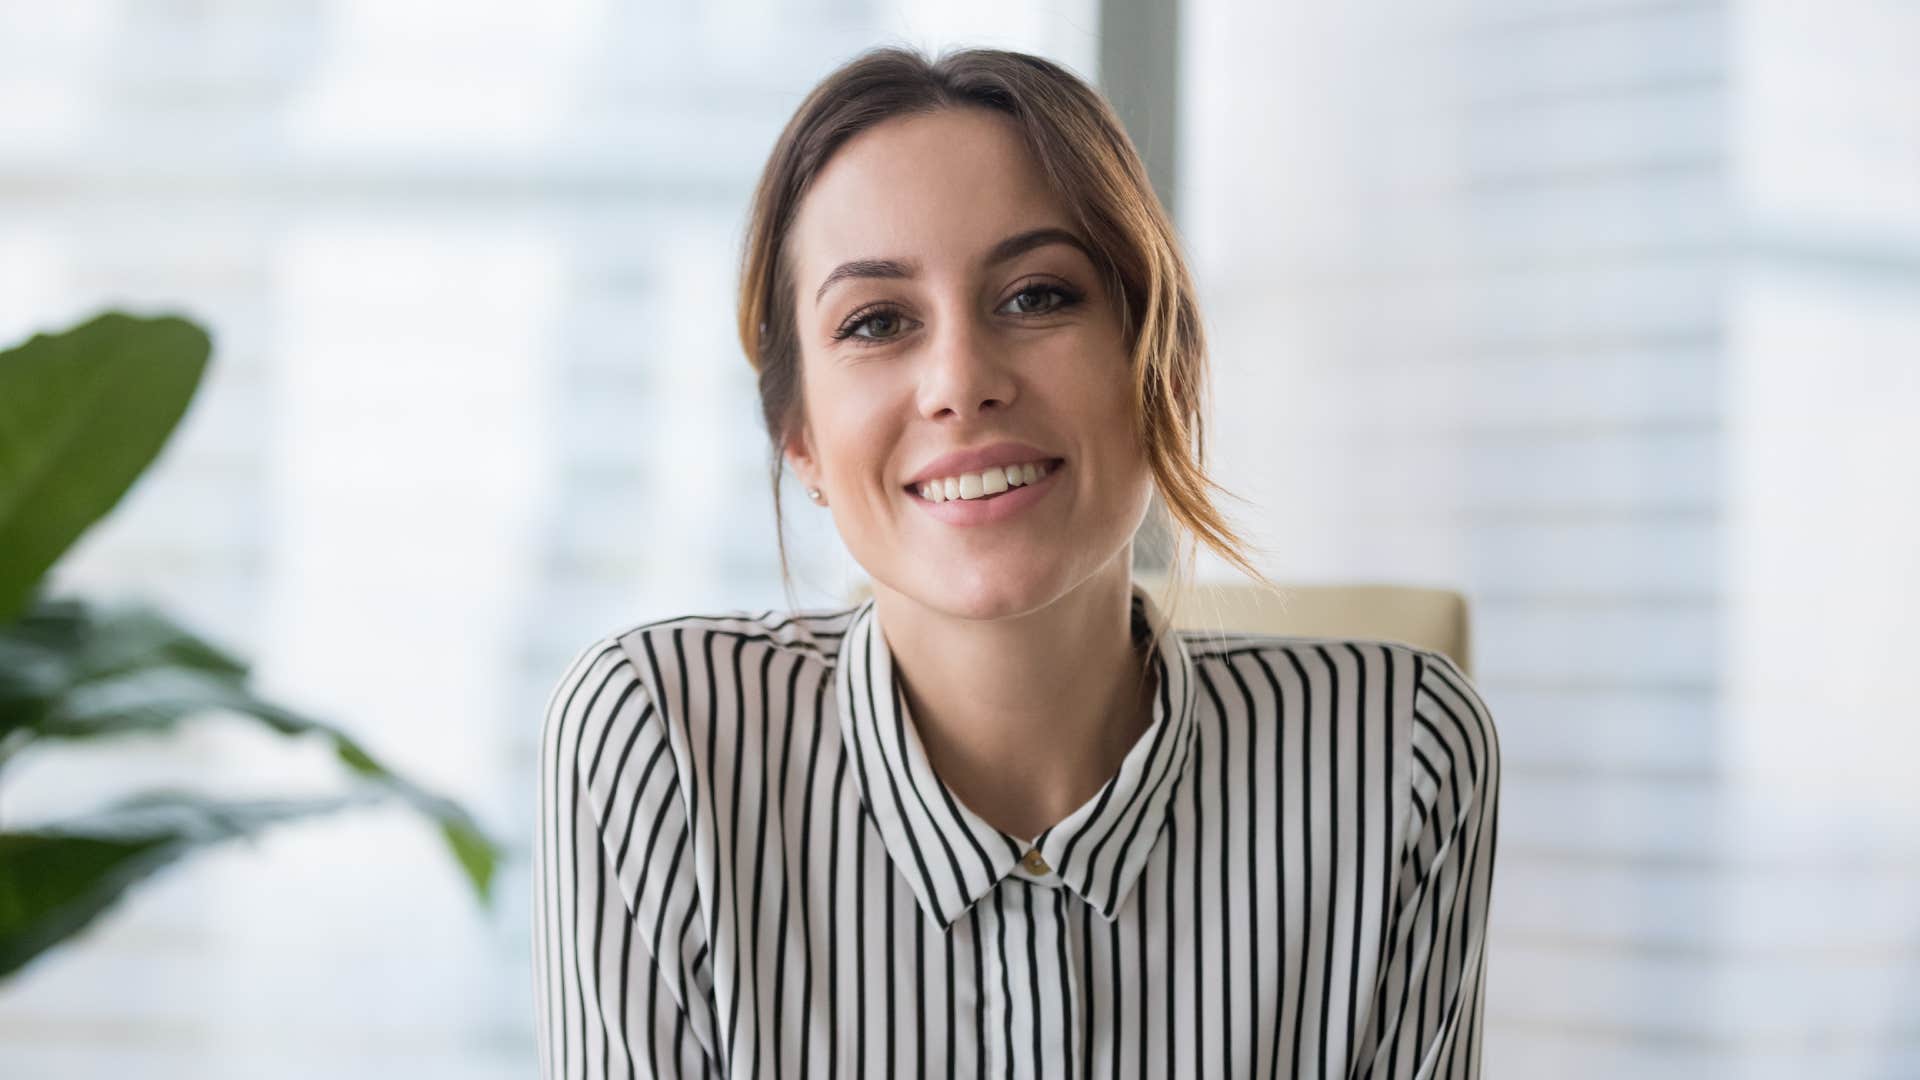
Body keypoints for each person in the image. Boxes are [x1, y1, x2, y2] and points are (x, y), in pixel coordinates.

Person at [532, 45, 1499, 1080]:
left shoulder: (1399, 758)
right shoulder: (657, 744)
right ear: (799, 438)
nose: (960, 381)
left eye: (1038, 297)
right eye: (877, 322)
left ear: (1159, 365)